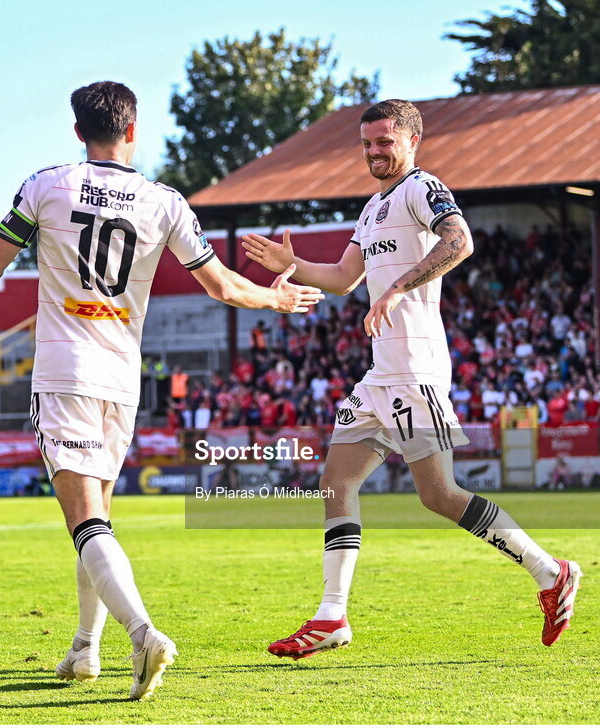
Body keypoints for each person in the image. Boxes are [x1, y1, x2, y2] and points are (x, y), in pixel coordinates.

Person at [0, 81, 323, 699]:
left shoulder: (46, 184)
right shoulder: (164, 201)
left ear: (78, 132)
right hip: (121, 375)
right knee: (98, 518)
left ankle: (143, 633)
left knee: (84, 521)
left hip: (65, 369)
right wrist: (278, 296)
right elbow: (220, 287)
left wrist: (23, 242)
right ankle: (85, 649)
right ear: (133, 131)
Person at [242, 98, 581, 660]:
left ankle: (551, 572)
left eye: (385, 142)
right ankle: (332, 616)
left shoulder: (423, 188)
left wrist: (399, 287)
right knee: (337, 483)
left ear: (411, 142)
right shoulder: (373, 207)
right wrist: (290, 264)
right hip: (382, 372)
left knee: (439, 495)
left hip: (416, 367)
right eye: (368, 143)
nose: (375, 152)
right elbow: (346, 278)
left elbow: (460, 242)